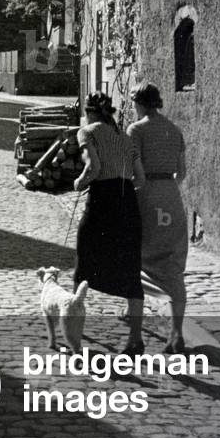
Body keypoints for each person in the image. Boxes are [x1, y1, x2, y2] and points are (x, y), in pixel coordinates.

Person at [73, 91, 146, 354]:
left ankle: (74, 331)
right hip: (127, 203)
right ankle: (135, 339)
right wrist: (121, 187)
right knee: (131, 270)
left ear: (89, 112)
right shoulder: (126, 138)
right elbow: (140, 179)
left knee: (84, 262)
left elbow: (93, 167)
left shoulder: (87, 132)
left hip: (101, 203)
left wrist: (79, 182)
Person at [127, 81, 188, 353]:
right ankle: (176, 335)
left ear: (139, 103)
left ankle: (135, 338)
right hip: (171, 199)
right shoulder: (174, 130)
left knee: (134, 268)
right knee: (173, 269)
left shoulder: (136, 130)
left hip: (147, 199)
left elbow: (136, 174)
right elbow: (182, 173)